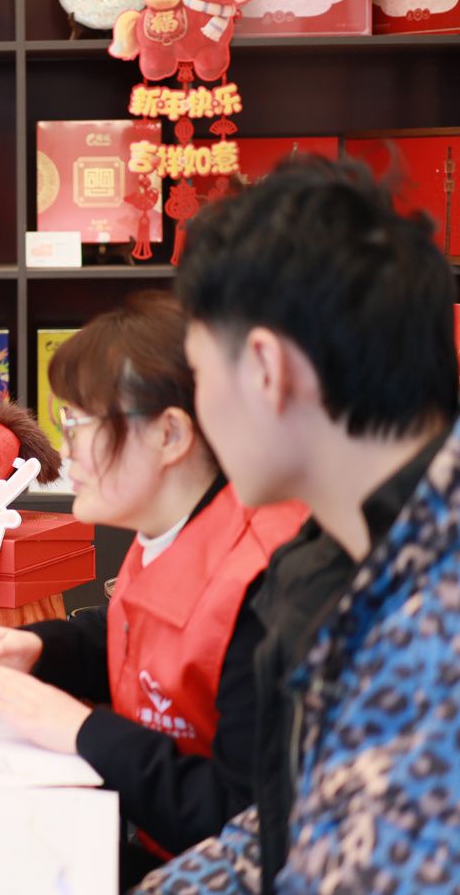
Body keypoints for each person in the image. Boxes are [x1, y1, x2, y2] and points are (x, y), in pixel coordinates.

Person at [0, 291, 308, 881]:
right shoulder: (174, 526)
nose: (66, 450)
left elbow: (243, 821)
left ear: (170, 434)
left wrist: (81, 730)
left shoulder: (269, 584)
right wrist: (40, 648)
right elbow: (133, 630)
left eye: (78, 423)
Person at [136, 159, 459, 894]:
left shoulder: (437, 639)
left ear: (264, 368)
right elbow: (293, 822)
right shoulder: (337, 556)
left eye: (198, 375)